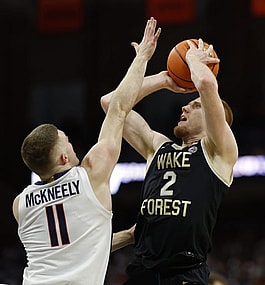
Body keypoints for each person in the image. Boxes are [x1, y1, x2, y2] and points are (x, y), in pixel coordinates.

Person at [12, 17, 161, 285]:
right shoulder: (91, 174)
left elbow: (75, 249)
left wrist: (128, 235)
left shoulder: (20, 205)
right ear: (63, 157)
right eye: (66, 140)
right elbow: (118, 108)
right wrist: (143, 57)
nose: (72, 142)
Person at [102, 39, 238, 284]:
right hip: (142, 270)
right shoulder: (158, 146)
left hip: (183, 272)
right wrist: (163, 80)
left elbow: (206, 84)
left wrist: (193, 60)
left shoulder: (218, 153)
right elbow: (111, 103)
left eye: (195, 106)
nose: (185, 107)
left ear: (213, 120)